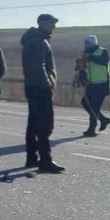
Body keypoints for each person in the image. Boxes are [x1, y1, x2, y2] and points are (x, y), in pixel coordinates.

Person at [21, 14, 65, 173]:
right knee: (44, 125)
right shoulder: (39, 41)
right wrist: (47, 84)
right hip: (40, 88)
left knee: (33, 124)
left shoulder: (32, 39)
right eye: (51, 23)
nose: (53, 26)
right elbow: (39, 66)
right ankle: (45, 160)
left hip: (32, 87)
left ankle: (31, 158)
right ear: (41, 23)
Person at [80, 35, 110, 137]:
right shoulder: (86, 53)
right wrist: (82, 75)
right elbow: (83, 66)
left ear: (93, 43)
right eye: (85, 43)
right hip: (91, 84)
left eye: (88, 43)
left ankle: (91, 129)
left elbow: (104, 61)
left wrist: (91, 57)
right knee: (85, 103)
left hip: (102, 84)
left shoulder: (103, 51)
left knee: (94, 106)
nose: (86, 45)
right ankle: (103, 119)